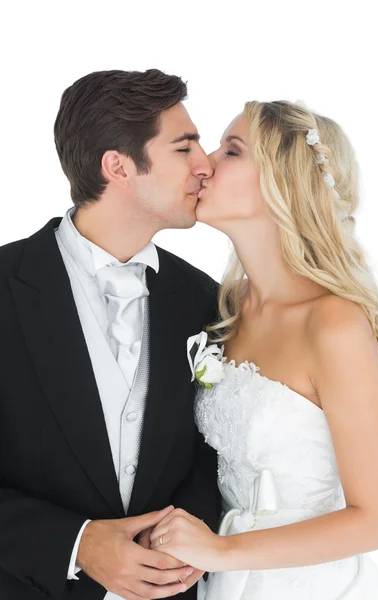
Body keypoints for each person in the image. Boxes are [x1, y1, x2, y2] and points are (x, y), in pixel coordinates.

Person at [149, 100, 378, 599]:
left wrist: (222, 552)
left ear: (283, 184)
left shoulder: (334, 325)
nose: (205, 163)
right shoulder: (222, 311)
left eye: (232, 150)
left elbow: (376, 521)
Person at [0, 69, 221, 600]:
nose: (205, 164)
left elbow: (212, 453)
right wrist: (74, 545)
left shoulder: (205, 300)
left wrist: (181, 542)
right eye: (184, 146)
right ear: (117, 166)